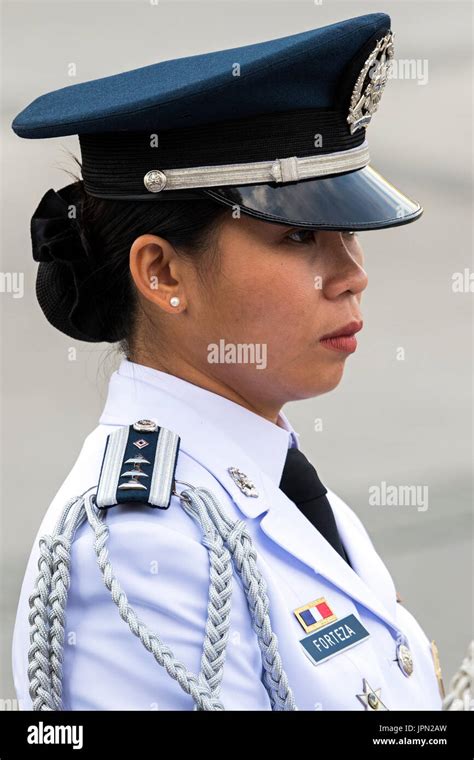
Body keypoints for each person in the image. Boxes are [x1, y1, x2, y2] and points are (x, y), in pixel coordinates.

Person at [11, 12, 444, 710]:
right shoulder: (137, 552)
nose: (351, 272)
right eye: (300, 233)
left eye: (348, 231)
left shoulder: (270, 483)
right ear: (162, 275)